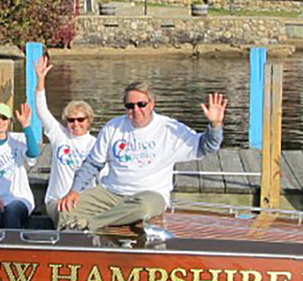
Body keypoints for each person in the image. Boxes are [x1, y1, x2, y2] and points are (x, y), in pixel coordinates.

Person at [58, 82, 227, 231]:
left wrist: (215, 125)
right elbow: (92, 164)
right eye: (130, 106)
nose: (136, 110)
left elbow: (206, 147)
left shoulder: (170, 128)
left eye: (141, 104)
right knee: (65, 208)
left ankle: (88, 225)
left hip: (151, 194)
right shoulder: (112, 127)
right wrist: (74, 191)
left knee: (143, 208)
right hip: (112, 192)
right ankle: (71, 246)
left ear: (152, 104)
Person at [32, 55, 98, 227]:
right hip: (57, 201)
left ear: (88, 121)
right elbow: (42, 110)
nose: (75, 124)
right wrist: (40, 80)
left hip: (85, 202)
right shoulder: (60, 136)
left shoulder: (96, 144)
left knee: (87, 221)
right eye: (71, 120)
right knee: (69, 217)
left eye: (80, 120)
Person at [0, 102, 40, 228]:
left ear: (9, 121)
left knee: (12, 212)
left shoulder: (18, 139)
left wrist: (26, 126)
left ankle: (14, 245)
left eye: (4, 118)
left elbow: (33, 154)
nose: (0, 122)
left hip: (18, 196)